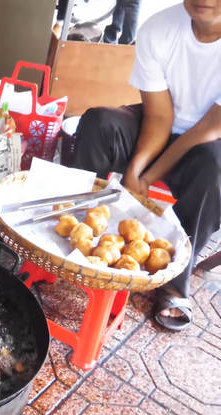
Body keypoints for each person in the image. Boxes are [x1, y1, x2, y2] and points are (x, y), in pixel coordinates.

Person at [72, 0, 221, 331]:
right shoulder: (159, 29)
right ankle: (78, 234)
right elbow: (159, 115)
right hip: (160, 124)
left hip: (210, 142)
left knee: (215, 172)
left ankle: (174, 284)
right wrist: (135, 169)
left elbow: (208, 128)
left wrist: (148, 175)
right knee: (100, 123)